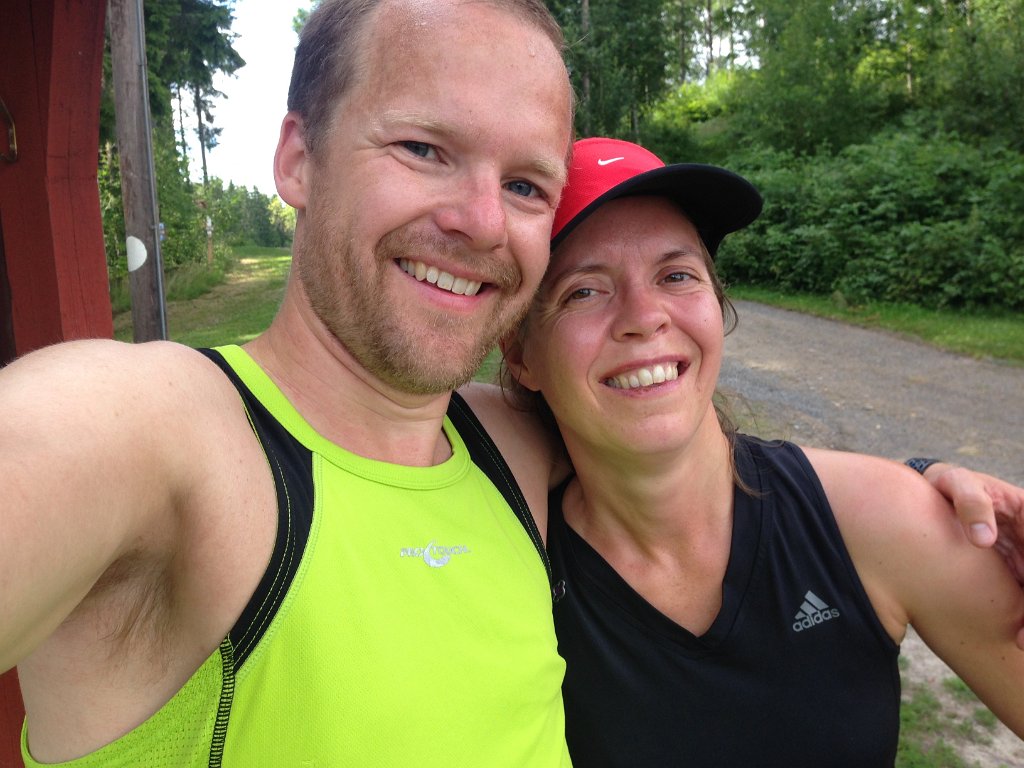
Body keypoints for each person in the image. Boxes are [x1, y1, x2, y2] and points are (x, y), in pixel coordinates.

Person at [0, 2, 1020, 765]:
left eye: (526, 183)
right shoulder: (169, 438)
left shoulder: (507, 454)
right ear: (298, 159)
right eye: (423, 148)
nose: (482, 222)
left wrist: (926, 491)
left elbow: (695, 454)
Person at [493, 137, 1024, 766]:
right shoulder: (505, 572)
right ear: (520, 354)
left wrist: (919, 480)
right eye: (583, 290)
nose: (645, 316)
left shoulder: (881, 517)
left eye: (676, 275)